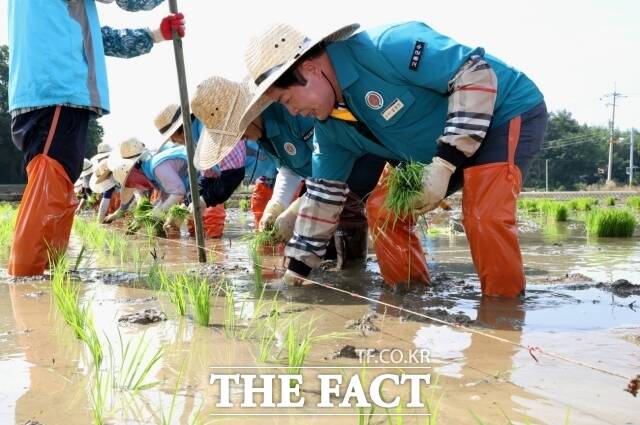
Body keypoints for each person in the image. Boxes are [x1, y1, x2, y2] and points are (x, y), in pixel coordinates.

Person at [240, 22, 547, 297]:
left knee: (484, 215)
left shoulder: (388, 47)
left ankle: (502, 311)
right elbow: (323, 196)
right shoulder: (330, 130)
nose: (293, 112)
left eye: (288, 100)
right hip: (435, 152)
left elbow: (475, 74)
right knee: (384, 211)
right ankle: (409, 292)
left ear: (310, 70)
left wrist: (444, 165)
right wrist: (296, 272)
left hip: (499, 114)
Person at [7, 0, 185, 276]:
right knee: (49, 188)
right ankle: (26, 282)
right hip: (56, 88)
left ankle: (48, 283)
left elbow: (93, 37)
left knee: (59, 192)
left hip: (54, 90)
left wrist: (154, 35)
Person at [191, 76, 388, 270]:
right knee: (317, 254)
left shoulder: (293, 111)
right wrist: (277, 205)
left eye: (237, 131)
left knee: (343, 225)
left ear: (248, 114)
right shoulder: (263, 135)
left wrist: (298, 207)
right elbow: (289, 170)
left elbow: (335, 163)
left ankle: (353, 281)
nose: (240, 139)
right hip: (323, 187)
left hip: (356, 168)